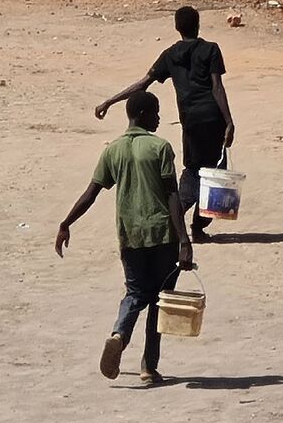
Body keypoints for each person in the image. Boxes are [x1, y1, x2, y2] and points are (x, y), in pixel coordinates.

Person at [55, 91, 193, 384]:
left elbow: (91, 193)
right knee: (160, 299)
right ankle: (148, 366)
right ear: (142, 114)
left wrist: (66, 222)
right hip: (162, 235)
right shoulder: (160, 147)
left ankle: (119, 333)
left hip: (130, 235)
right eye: (155, 113)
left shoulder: (113, 150)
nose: (158, 118)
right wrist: (184, 240)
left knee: (134, 293)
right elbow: (172, 195)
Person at [95, 7, 235, 243]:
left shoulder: (170, 55)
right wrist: (229, 121)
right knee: (215, 174)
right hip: (214, 118)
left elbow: (143, 84)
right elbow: (217, 88)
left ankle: (180, 220)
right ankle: (192, 225)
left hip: (191, 121)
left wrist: (110, 101)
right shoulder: (210, 49)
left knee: (193, 170)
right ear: (198, 25)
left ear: (177, 28)